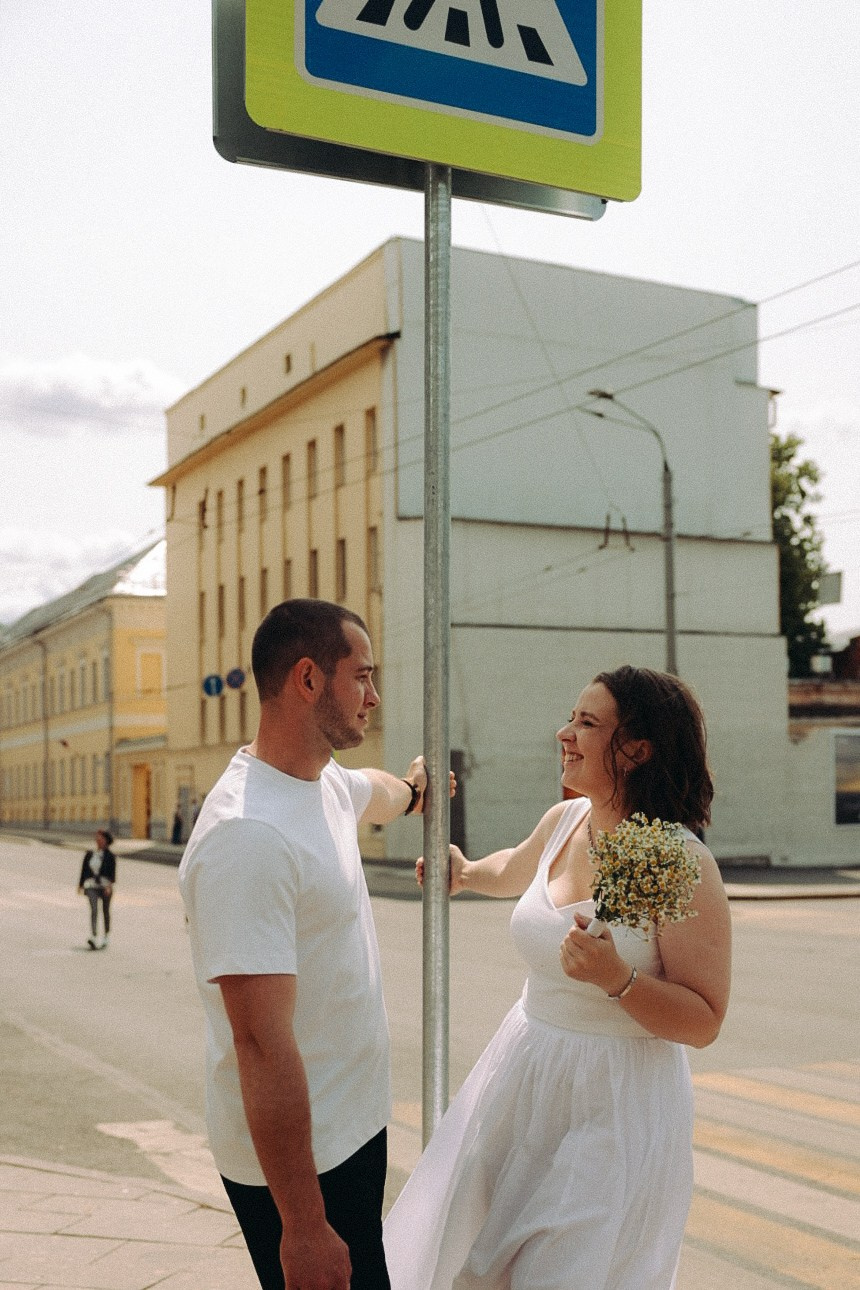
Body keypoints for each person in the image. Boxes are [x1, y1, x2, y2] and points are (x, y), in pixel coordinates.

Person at [384, 665, 732, 1290]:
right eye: (572, 717)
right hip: (523, 1077)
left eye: (588, 723)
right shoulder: (568, 821)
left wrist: (619, 980)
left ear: (637, 749)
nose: (564, 733)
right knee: (475, 1268)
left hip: (615, 1103)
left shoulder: (670, 857)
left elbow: (703, 1019)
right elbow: (514, 871)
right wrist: (463, 873)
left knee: (565, 1272)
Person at [179, 599, 452, 1290]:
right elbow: (259, 1043)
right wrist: (301, 1223)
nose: (374, 695)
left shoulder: (318, 779)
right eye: (360, 676)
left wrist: (417, 792)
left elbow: (373, 792)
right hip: (303, 1167)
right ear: (308, 679)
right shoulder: (247, 837)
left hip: (348, 1127)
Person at [77, 828, 116, 950]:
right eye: (97, 837)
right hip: (91, 886)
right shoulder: (90, 854)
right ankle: (93, 936)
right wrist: (80, 885)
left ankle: (106, 936)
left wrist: (109, 886)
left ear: (106, 840)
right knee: (94, 910)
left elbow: (113, 874)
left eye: (100, 838)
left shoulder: (110, 856)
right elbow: (83, 870)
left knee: (105, 911)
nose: (98, 840)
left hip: (105, 886)